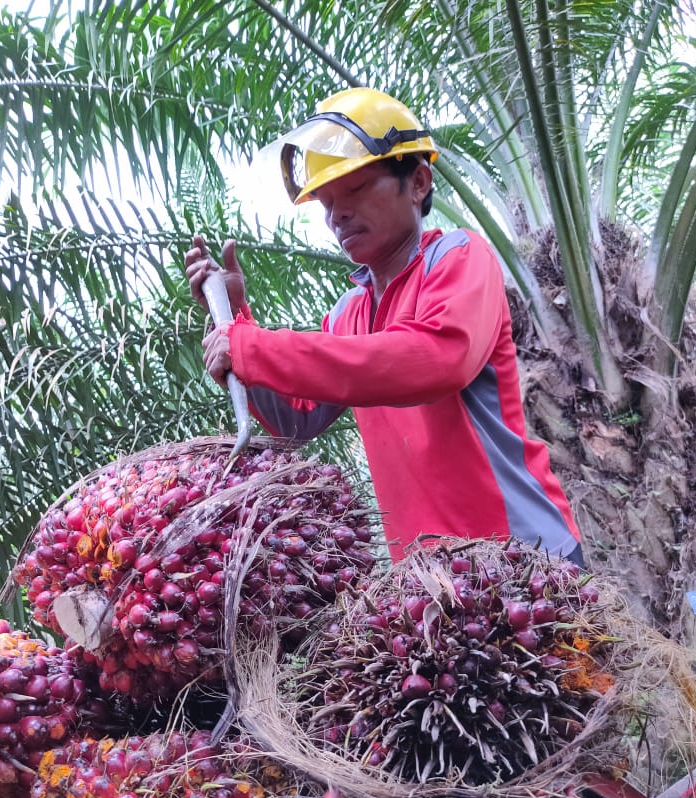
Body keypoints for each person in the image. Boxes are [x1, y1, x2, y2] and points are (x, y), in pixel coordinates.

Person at [184, 87, 583, 566]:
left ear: (417, 181)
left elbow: (435, 358)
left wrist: (252, 349)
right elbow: (297, 418)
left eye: (354, 189)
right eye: (325, 202)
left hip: (528, 562)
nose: (337, 214)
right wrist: (235, 320)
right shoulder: (349, 313)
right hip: (430, 583)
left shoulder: (460, 257)